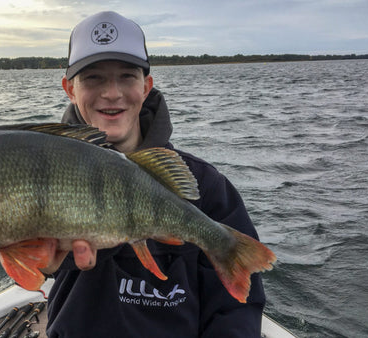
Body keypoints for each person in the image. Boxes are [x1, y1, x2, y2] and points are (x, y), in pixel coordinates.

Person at [42, 11, 266, 337]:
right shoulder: (48, 173)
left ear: (146, 86)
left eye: (127, 76)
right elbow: (30, 260)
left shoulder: (207, 188)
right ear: (69, 89)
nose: (112, 93)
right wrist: (45, 264)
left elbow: (236, 310)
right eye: (93, 78)